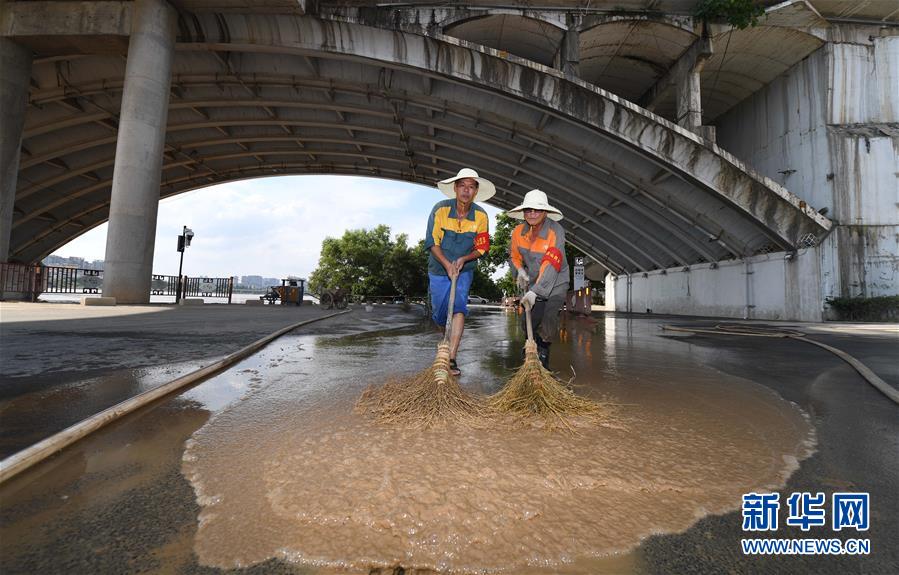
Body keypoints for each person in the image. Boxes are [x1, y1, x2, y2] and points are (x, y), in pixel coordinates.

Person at [424, 167, 495, 376]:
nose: (466, 190)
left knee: (458, 307)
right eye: (462, 185)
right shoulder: (440, 209)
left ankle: (452, 357)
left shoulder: (481, 216)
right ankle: (444, 340)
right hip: (438, 268)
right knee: (439, 313)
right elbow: (431, 241)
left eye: (471, 187)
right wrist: (447, 264)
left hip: (465, 270)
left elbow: (481, 248)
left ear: (475, 191)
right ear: (455, 188)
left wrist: (464, 259)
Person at [506, 189, 569, 370]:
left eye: (537, 210)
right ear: (523, 212)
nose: (532, 214)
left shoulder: (555, 231)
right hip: (532, 281)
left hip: (556, 281)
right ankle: (531, 349)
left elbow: (551, 265)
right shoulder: (518, 232)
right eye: (528, 210)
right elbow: (514, 256)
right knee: (529, 322)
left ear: (545, 212)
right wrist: (519, 271)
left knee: (548, 318)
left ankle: (543, 354)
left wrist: (536, 292)